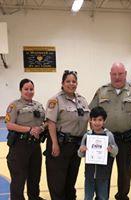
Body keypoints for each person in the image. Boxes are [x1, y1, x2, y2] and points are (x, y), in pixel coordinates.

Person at [89, 62, 131, 200]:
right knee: (102, 172)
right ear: (110, 75)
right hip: (105, 139)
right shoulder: (102, 91)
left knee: (125, 173)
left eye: (120, 74)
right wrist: (93, 135)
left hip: (127, 139)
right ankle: (102, 197)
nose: (117, 77)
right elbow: (91, 112)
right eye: (114, 74)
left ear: (125, 73)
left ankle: (122, 196)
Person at [45, 70, 90, 200]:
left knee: (71, 179)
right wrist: (54, 144)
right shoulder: (55, 100)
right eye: (68, 81)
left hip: (76, 146)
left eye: (74, 81)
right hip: (60, 144)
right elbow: (51, 123)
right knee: (57, 181)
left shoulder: (82, 100)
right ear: (62, 83)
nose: (71, 84)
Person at [5, 78, 46, 200]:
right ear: (20, 90)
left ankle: (34, 197)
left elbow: (46, 122)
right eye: (26, 89)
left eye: (31, 89)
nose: (29, 91)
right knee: (19, 178)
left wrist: (41, 128)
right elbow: (9, 125)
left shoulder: (38, 105)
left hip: (35, 146)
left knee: (35, 175)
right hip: (19, 146)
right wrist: (29, 129)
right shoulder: (14, 105)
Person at [78, 106, 118, 200]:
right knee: (88, 197)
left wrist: (111, 149)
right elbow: (80, 154)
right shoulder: (87, 135)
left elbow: (115, 151)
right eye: (94, 119)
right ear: (90, 120)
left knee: (103, 197)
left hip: (103, 175)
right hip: (89, 174)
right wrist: (81, 150)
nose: (97, 122)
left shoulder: (108, 135)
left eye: (100, 120)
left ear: (104, 121)